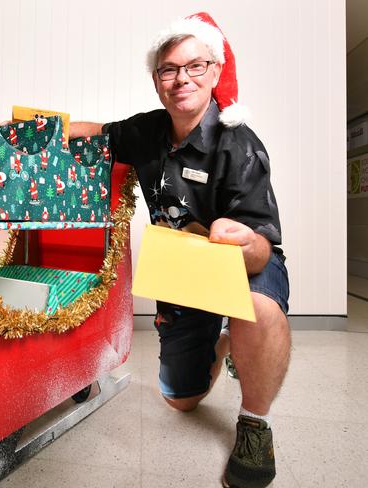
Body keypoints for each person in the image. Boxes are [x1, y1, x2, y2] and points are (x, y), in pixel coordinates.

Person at [70, 12, 290, 488]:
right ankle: (227, 342)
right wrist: (33, 127)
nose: (181, 79)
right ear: (156, 80)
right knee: (180, 399)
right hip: (185, 271)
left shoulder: (241, 145)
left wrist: (241, 241)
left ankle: (255, 424)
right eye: (169, 69)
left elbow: (261, 251)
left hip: (244, 265)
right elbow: (95, 132)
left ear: (214, 71)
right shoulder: (147, 131)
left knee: (255, 307)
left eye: (195, 66)